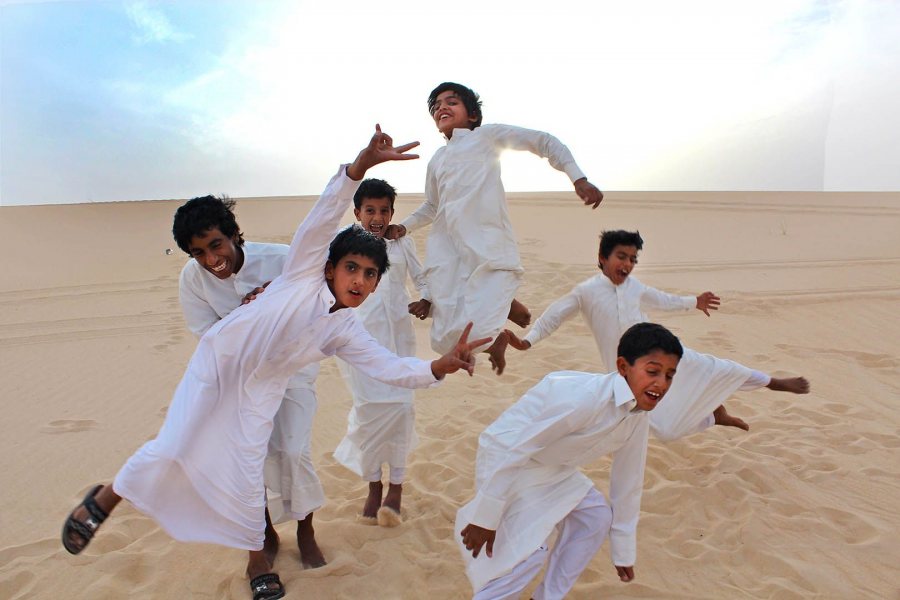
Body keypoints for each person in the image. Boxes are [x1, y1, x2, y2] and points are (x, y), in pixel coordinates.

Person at [61, 126, 491, 600]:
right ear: (329, 267)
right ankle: (103, 499)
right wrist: (359, 168)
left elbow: (388, 366)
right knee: (175, 443)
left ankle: (256, 559)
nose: (359, 280)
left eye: (370, 275)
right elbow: (324, 215)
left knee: (250, 471)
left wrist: (437, 367)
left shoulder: (344, 329)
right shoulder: (301, 269)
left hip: (265, 390)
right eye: (351, 267)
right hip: (218, 367)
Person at [385, 82, 604, 375]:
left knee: (479, 318)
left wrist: (578, 178)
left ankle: (505, 305)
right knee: (445, 338)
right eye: (436, 106)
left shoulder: (487, 137)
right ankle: (496, 339)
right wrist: (404, 226)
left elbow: (545, 141)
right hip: (449, 251)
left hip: (487, 244)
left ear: (472, 115)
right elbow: (432, 205)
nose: (442, 108)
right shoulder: (437, 159)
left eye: (451, 102)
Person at [507, 230, 809, 441]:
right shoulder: (586, 292)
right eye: (621, 256)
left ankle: (773, 382)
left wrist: (694, 302)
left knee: (715, 368)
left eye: (633, 259)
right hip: (629, 369)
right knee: (665, 429)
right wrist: (527, 341)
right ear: (602, 258)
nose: (627, 264)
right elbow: (555, 315)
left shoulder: (635, 288)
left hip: (663, 349)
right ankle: (714, 416)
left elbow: (664, 301)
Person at [457, 322, 683, 598]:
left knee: (597, 516)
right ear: (623, 367)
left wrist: (623, 550)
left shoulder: (638, 417)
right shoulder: (585, 398)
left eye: (670, 376)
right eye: (653, 371)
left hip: (554, 465)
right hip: (509, 453)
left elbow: (629, 479)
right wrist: (486, 516)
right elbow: (520, 447)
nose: (661, 383)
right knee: (527, 552)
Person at [173, 195, 327, 569]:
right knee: (250, 463)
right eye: (199, 253)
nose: (212, 260)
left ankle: (306, 530)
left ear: (234, 236)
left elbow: (316, 307)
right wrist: (247, 316)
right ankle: (265, 535)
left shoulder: (281, 259)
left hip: (292, 372)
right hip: (239, 382)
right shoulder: (192, 280)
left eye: (216, 245)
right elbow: (209, 337)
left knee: (293, 451)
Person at [333, 178, 431, 527]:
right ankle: (374, 485)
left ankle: (397, 488)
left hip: (400, 340)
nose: (377, 217)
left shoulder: (402, 243)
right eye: (370, 210)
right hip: (358, 343)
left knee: (402, 410)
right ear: (356, 211)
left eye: (384, 210)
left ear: (392, 212)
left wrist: (426, 299)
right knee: (368, 413)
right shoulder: (343, 243)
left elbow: (422, 278)